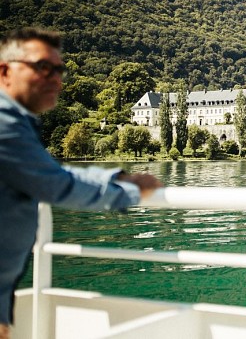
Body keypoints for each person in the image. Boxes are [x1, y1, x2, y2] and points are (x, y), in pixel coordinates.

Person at [0, 27, 162, 339]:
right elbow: (58, 187)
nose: (57, 80)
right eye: (43, 67)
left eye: (59, 70)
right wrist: (129, 191)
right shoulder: (5, 125)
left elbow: (52, 173)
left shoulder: (16, 122)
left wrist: (114, 176)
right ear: (5, 71)